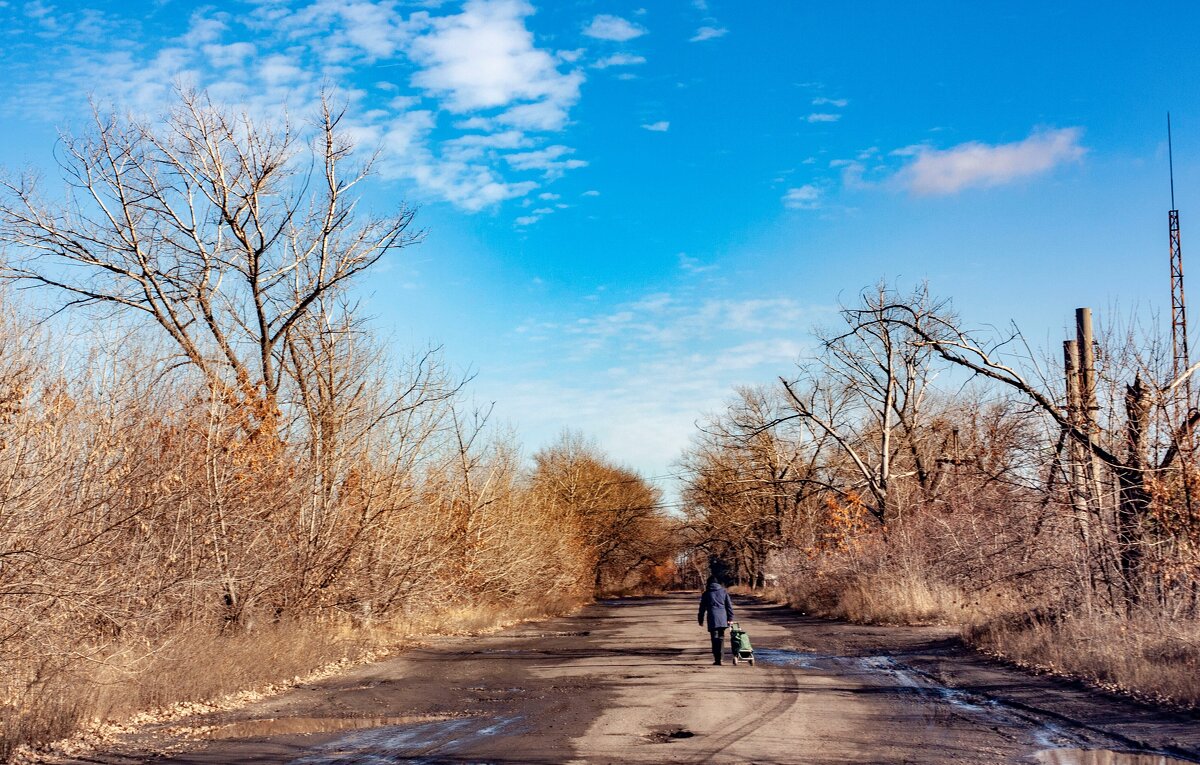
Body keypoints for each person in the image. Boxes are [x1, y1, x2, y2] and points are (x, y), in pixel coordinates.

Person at [697, 574, 734, 665]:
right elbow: (729, 606)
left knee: (714, 638)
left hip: (712, 618)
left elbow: (702, 608)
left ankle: (717, 659)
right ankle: (721, 658)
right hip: (722, 618)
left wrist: (700, 619)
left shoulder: (706, 594)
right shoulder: (724, 592)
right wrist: (730, 618)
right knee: (721, 638)